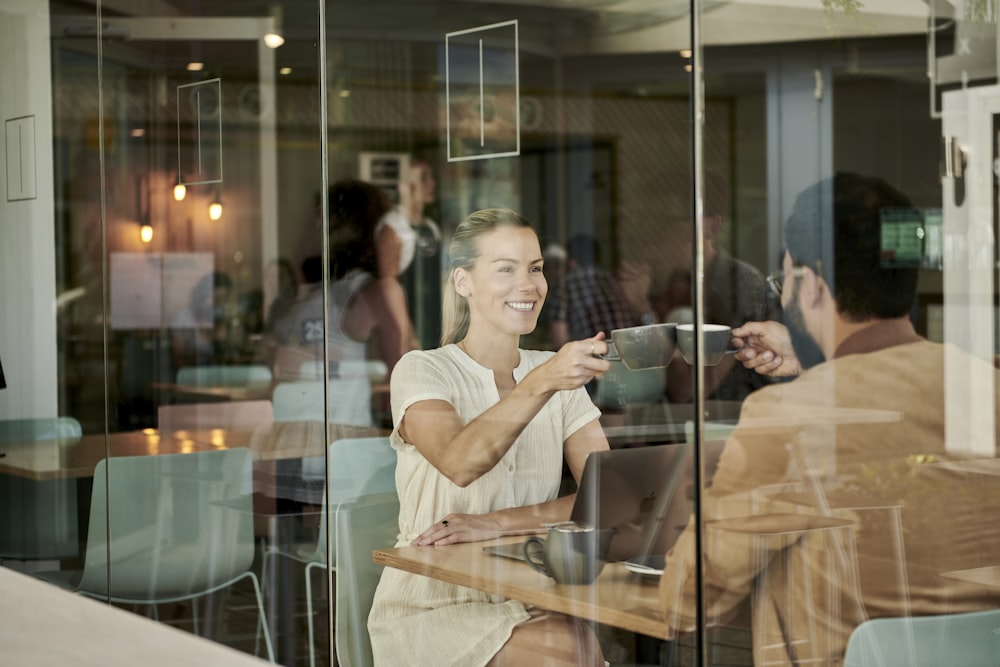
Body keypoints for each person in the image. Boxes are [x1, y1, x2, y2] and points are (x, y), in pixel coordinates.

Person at [659, 173, 1000, 665]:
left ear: (812, 285)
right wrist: (817, 365)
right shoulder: (982, 387)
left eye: (785, 280)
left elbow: (685, 601)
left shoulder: (788, 416)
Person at [368, 208, 612, 667]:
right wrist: (544, 379)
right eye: (506, 269)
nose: (529, 285)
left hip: (528, 594)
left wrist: (498, 522)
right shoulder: (423, 370)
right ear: (463, 282)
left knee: (578, 644)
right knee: (570, 650)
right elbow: (461, 462)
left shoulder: (554, 373)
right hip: (431, 605)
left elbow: (604, 498)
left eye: (536, 269)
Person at [258, 179, 415, 420]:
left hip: (325, 445)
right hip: (320, 445)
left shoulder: (364, 294)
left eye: (316, 222)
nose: (306, 230)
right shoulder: (322, 294)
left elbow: (404, 377)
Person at [665, 175, 782, 404]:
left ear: (714, 226)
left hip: (736, 417)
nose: (670, 228)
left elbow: (690, 388)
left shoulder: (740, 283)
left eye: (681, 218)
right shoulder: (669, 280)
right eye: (665, 218)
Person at [375, 158, 442, 349]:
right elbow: (388, 285)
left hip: (433, 325)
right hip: (407, 333)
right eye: (423, 178)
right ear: (404, 187)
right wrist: (407, 334)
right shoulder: (393, 226)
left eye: (431, 178)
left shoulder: (431, 228)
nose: (432, 184)